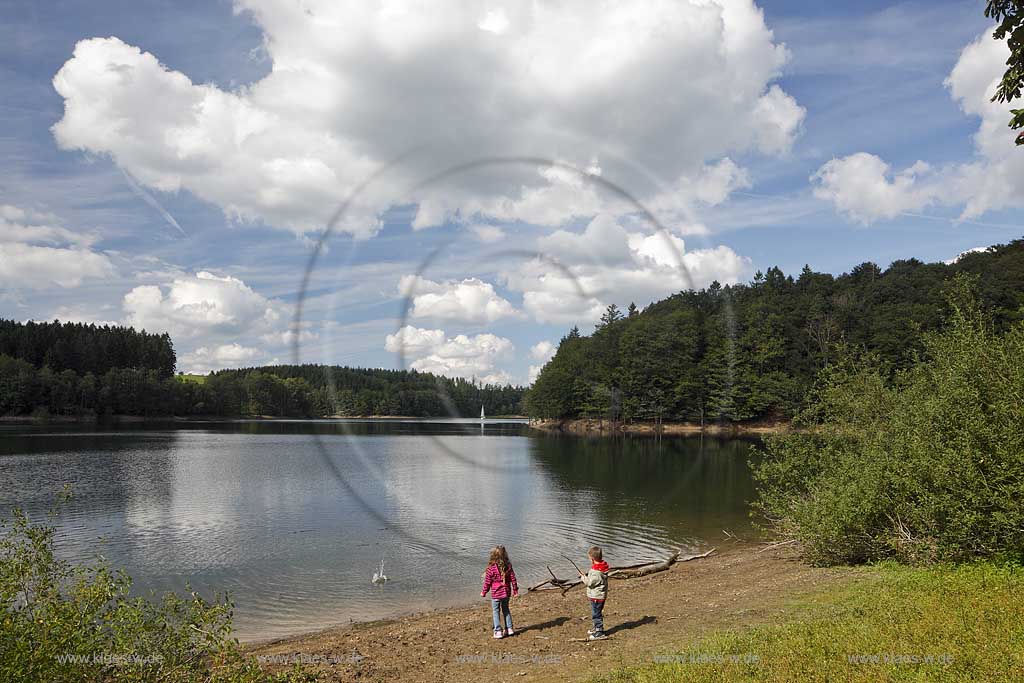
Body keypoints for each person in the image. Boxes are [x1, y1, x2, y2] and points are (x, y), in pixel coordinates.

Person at [481, 545, 519, 638]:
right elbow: (513, 579)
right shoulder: (508, 566)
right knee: (506, 610)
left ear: (493, 556)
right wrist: (515, 590)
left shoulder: (491, 568)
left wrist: (484, 592)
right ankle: (509, 629)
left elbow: (487, 582)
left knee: (496, 611)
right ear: (505, 554)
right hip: (506, 593)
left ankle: (498, 631)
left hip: (496, 594)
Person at [582, 545, 609, 640]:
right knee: (596, 613)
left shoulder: (597, 571)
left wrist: (583, 577)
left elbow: (590, 583)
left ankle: (599, 632)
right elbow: (595, 580)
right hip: (599, 596)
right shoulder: (602, 567)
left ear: (592, 559)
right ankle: (596, 628)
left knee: (596, 614)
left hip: (597, 597)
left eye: (589, 558)